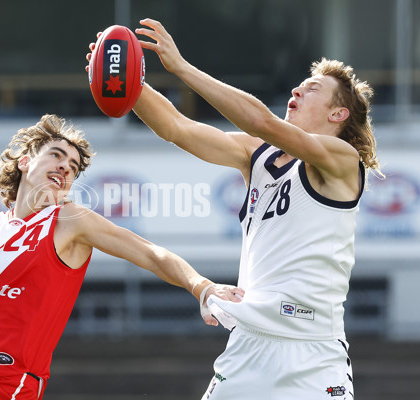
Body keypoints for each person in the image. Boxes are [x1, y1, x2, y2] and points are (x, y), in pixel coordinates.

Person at [0, 111, 244, 400]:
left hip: (8, 385)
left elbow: (150, 253)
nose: (65, 168)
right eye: (56, 155)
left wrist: (202, 287)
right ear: (25, 161)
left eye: (73, 166)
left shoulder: (70, 221)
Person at [88, 18, 383, 400]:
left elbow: (261, 121)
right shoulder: (256, 154)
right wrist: (123, 77)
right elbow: (177, 128)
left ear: (338, 114)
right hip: (249, 343)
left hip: (312, 352)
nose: (297, 89)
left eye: (311, 89)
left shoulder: (342, 160)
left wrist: (181, 68)